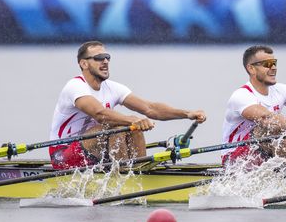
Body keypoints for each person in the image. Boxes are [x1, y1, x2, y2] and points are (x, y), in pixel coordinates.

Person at [49, 41, 206, 170]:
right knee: (118, 127)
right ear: (83, 64)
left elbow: (150, 108)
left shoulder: (113, 88)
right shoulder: (75, 86)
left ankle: (140, 169)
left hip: (95, 150)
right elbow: (100, 114)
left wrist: (187, 114)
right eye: (98, 58)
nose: (105, 61)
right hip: (63, 155)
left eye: (107, 57)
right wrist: (132, 120)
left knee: (132, 128)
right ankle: (124, 177)